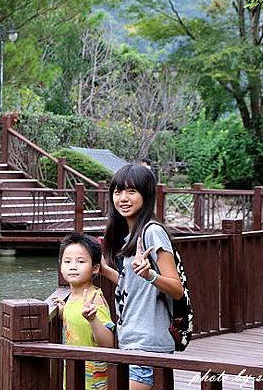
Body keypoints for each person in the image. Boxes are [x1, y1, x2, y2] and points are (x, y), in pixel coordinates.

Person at [99, 164, 184, 389]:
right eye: (118, 192)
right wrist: (104, 270)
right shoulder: (130, 238)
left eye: (131, 191)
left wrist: (151, 275)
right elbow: (134, 286)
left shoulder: (152, 232)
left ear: (146, 195)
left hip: (147, 345)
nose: (123, 198)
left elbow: (177, 288)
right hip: (131, 342)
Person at [52, 233, 115, 389]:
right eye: (67, 261)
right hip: (74, 373)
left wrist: (93, 318)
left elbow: (108, 343)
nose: (73, 266)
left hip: (92, 380)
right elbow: (77, 322)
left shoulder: (95, 299)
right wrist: (62, 311)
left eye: (80, 261)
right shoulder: (72, 297)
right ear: (61, 266)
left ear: (95, 268)